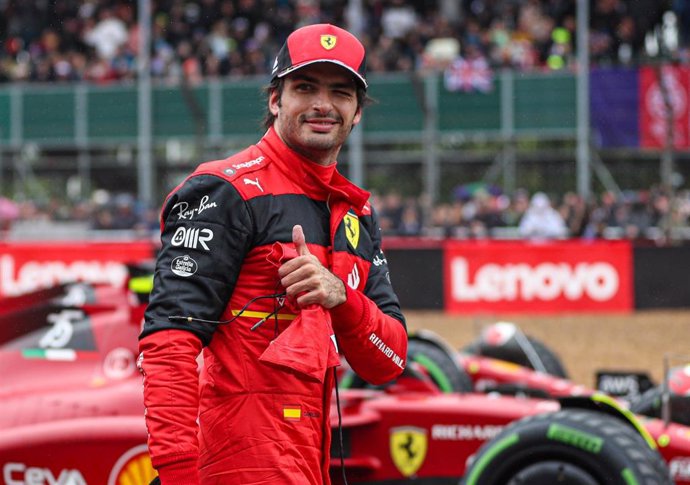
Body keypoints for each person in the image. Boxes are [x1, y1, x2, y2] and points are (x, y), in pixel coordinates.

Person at [137, 23, 408, 485]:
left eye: (340, 92)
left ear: (357, 111)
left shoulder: (355, 213)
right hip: (238, 464)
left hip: (308, 460)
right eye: (305, 87)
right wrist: (179, 472)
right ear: (275, 99)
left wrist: (340, 298)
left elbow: (389, 360)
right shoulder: (225, 190)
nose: (323, 104)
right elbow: (169, 343)